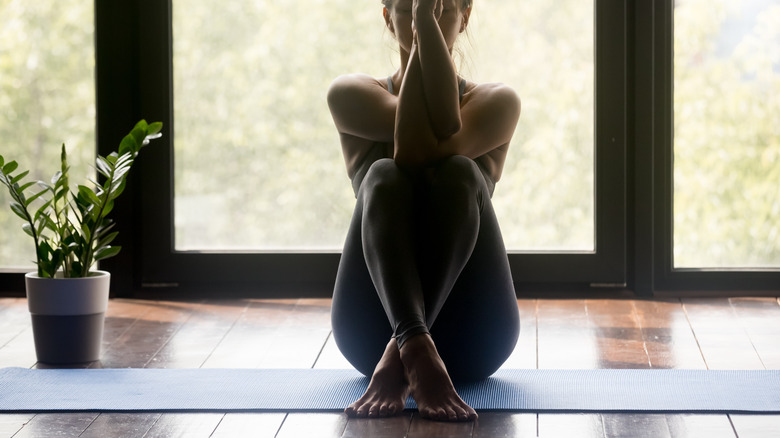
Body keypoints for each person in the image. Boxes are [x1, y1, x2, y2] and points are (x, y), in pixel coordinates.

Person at [326, 0, 521, 422]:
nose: (423, 16)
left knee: (458, 173)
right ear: (386, 15)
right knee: (383, 175)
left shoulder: (497, 100)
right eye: (411, 6)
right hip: (369, 330)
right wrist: (428, 32)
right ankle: (413, 343)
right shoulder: (350, 92)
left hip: (476, 334)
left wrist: (423, 30)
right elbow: (409, 148)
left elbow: (418, 149)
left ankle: (405, 354)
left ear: (465, 15)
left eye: (440, 7)